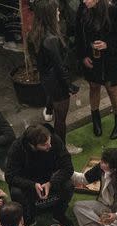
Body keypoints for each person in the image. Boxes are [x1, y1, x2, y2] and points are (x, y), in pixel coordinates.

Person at [28, 0, 81, 153]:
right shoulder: (51, 39)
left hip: (47, 80)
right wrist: (70, 86)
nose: (59, 13)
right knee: (61, 120)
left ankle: (58, 145)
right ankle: (61, 149)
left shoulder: (35, 33)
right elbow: (60, 67)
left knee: (58, 116)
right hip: (57, 83)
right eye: (56, 10)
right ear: (49, 14)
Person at [5, 124, 75, 226]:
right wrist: (32, 185)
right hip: (28, 182)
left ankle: (59, 214)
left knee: (68, 185)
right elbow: (10, 176)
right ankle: (28, 219)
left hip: (50, 178)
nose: (50, 146)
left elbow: (68, 167)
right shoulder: (17, 148)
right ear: (32, 145)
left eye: (49, 141)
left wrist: (51, 183)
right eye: (45, 145)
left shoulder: (53, 139)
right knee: (16, 192)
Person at [75, 0, 117, 140]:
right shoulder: (82, 9)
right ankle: (96, 121)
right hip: (91, 58)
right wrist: (82, 56)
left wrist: (107, 44)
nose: (84, 1)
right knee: (94, 86)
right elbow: (78, 35)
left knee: (112, 88)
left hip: (111, 60)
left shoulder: (113, 11)